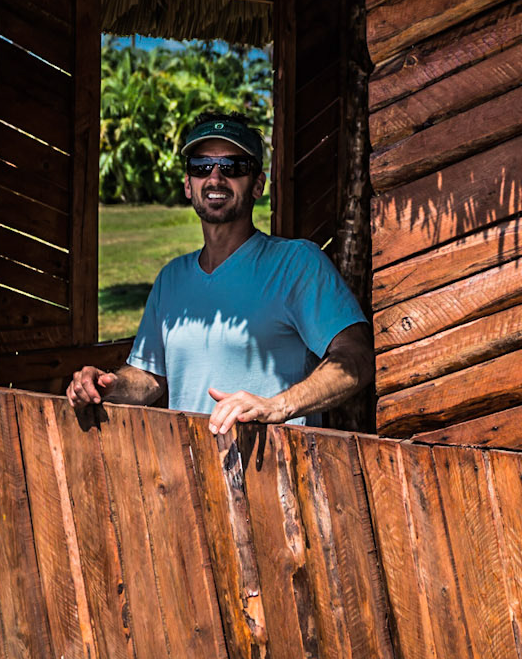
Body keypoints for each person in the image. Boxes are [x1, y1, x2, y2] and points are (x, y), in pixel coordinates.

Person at [65, 112, 373, 439]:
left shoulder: (297, 265)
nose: (215, 178)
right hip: (191, 474)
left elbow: (357, 357)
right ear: (188, 184)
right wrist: (109, 385)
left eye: (233, 167)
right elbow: (151, 378)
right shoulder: (171, 279)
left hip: (278, 479)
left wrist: (278, 406)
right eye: (201, 166)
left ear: (257, 184)